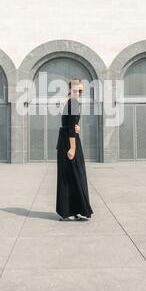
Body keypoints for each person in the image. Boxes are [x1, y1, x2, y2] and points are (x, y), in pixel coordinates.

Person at [56, 78, 94, 221]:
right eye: (75, 89)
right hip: (69, 142)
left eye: (80, 89)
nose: (77, 92)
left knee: (72, 176)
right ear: (70, 88)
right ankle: (69, 211)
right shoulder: (73, 102)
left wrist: (77, 127)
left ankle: (72, 210)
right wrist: (72, 147)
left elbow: (71, 123)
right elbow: (71, 126)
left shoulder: (70, 101)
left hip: (67, 139)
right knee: (74, 175)